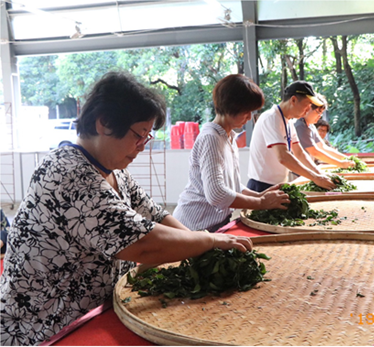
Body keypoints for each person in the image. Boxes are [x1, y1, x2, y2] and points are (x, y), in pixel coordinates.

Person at [0, 71, 252, 346]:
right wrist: (209, 241)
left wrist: (200, 249)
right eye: (139, 135)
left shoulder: (113, 171)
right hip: (45, 329)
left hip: (94, 313)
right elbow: (143, 244)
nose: (143, 146)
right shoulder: (67, 172)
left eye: (148, 136)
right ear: (104, 123)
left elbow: (156, 215)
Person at [174, 74, 290, 232]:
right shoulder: (212, 139)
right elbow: (217, 194)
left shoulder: (228, 137)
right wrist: (261, 203)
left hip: (213, 226)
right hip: (194, 228)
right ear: (230, 106)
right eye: (246, 112)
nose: (249, 118)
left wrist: (260, 195)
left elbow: (232, 186)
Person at [247, 81, 336, 192]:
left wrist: (319, 174)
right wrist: (315, 178)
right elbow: (283, 157)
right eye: (307, 104)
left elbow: (299, 153)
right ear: (293, 100)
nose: (308, 109)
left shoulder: (288, 122)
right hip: (261, 185)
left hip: (278, 184)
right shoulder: (271, 118)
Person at [295, 94, 354, 168]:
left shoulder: (311, 126)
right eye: (318, 112)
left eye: (321, 113)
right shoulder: (300, 126)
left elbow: (322, 147)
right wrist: (341, 163)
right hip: (297, 172)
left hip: (306, 169)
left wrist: (348, 159)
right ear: (308, 108)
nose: (319, 116)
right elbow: (315, 152)